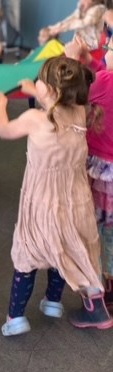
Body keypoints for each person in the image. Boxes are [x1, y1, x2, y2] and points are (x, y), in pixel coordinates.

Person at [0, 56, 113, 336]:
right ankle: (53, 302)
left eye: (40, 81)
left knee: (29, 253)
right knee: (66, 248)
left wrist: (1, 105)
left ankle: (16, 318)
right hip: (76, 198)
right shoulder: (80, 111)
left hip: (43, 200)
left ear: (51, 89)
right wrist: (36, 92)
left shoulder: (35, 119)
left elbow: (4, 130)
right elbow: (61, 104)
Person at [65, 34, 113, 306]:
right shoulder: (105, 78)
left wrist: (73, 59)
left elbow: (71, 91)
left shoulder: (106, 81)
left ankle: (98, 293)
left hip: (103, 171)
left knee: (97, 229)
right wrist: (89, 64)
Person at [46, 0, 112, 50]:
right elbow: (71, 18)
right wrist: (55, 28)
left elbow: (84, 23)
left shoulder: (99, 8)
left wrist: (60, 29)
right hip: (85, 45)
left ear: (94, 0)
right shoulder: (82, 8)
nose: (81, 1)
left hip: (95, 47)